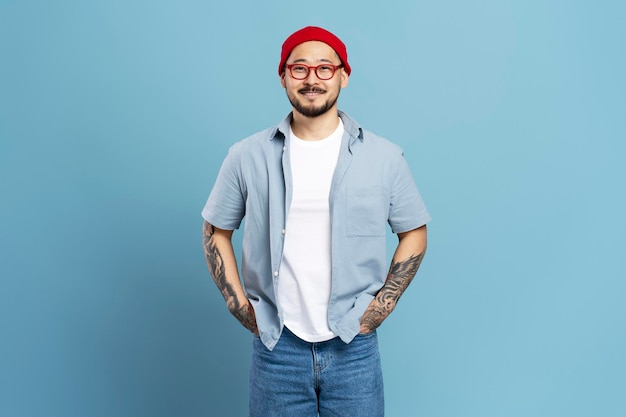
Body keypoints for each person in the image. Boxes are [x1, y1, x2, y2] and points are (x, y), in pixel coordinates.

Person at [202, 26, 431, 417]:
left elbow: (414, 233)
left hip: (353, 349)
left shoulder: (384, 157)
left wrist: (381, 305)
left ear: (344, 75)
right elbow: (215, 231)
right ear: (283, 76)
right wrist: (238, 303)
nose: (312, 79)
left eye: (325, 68)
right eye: (299, 68)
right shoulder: (246, 156)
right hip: (277, 351)